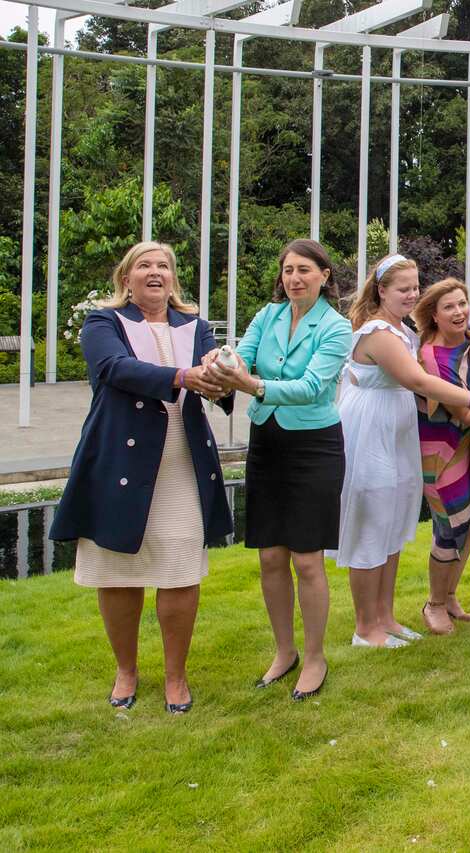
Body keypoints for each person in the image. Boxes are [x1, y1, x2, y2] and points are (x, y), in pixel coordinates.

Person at [51, 241, 233, 714]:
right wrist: (183, 377)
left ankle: (176, 678)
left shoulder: (195, 327)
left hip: (181, 469)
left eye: (164, 266)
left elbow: (213, 378)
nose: (156, 273)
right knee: (117, 575)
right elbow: (113, 369)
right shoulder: (103, 322)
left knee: (179, 574)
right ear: (126, 278)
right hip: (118, 467)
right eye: (145, 265)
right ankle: (126, 672)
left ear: (173, 278)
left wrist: (224, 373)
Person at [330, 256, 470, 648]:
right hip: (371, 428)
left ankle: (386, 618)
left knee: (391, 527)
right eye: (402, 288)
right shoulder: (377, 331)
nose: (411, 294)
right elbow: (417, 380)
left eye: (414, 286)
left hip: (398, 427)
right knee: (371, 527)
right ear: (381, 290)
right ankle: (365, 627)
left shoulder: (402, 329)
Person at [209, 238, 352, 701]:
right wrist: (222, 363)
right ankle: (284, 651)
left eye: (304, 270)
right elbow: (244, 356)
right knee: (270, 555)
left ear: (324, 275)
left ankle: (314, 657)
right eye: (288, 270)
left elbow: (312, 387)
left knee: (307, 558)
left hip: (314, 446)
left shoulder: (336, 327)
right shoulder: (266, 316)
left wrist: (248, 383)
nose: (294, 278)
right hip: (267, 441)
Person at [412, 279, 470, 635]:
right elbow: (464, 413)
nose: (459, 312)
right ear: (433, 315)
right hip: (439, 452)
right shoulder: (431, 357)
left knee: (468, 524)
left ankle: (449, 596)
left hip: (466, 446)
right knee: (449, 527)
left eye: (463, 304)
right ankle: (432, 604)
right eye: (449, 307)